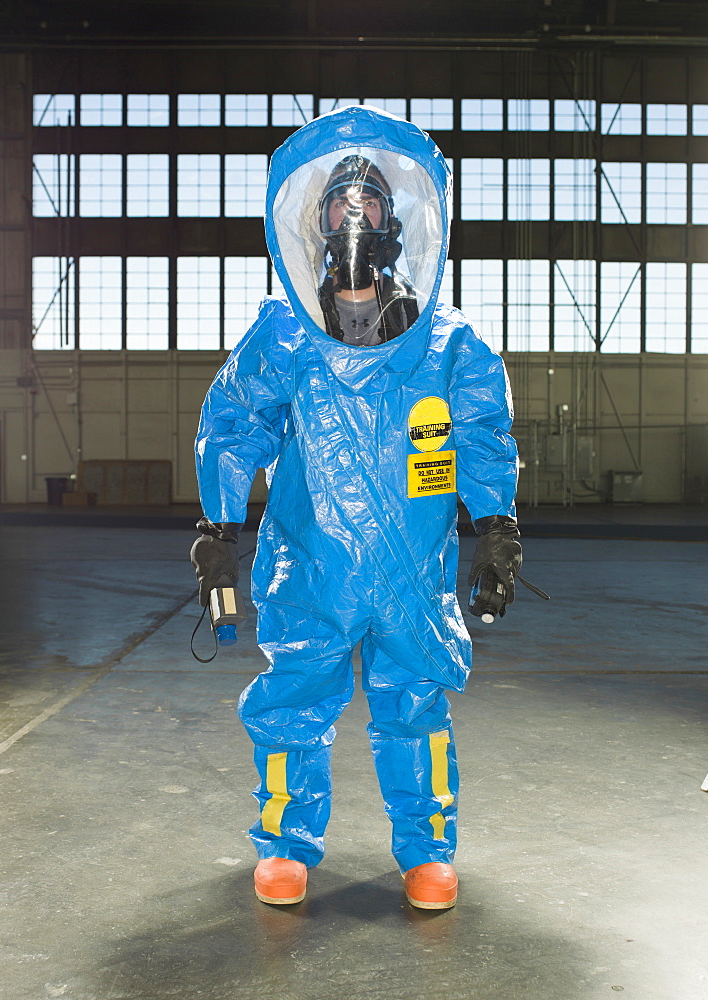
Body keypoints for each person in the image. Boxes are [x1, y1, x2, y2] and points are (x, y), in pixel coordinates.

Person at [191, 105, 521, 910]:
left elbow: (481, 433)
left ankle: (426, 850)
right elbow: (235, 424)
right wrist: (215, 525)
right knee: (293, 701)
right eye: (336, 199)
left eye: (367, 200)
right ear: (311, 219)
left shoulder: (446, 342)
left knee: (415, 707)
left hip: (413, 565)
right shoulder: (284, 337)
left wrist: (498, 525)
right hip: (313, 562)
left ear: (394, 219)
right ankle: (283, 845)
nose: (350, 214)